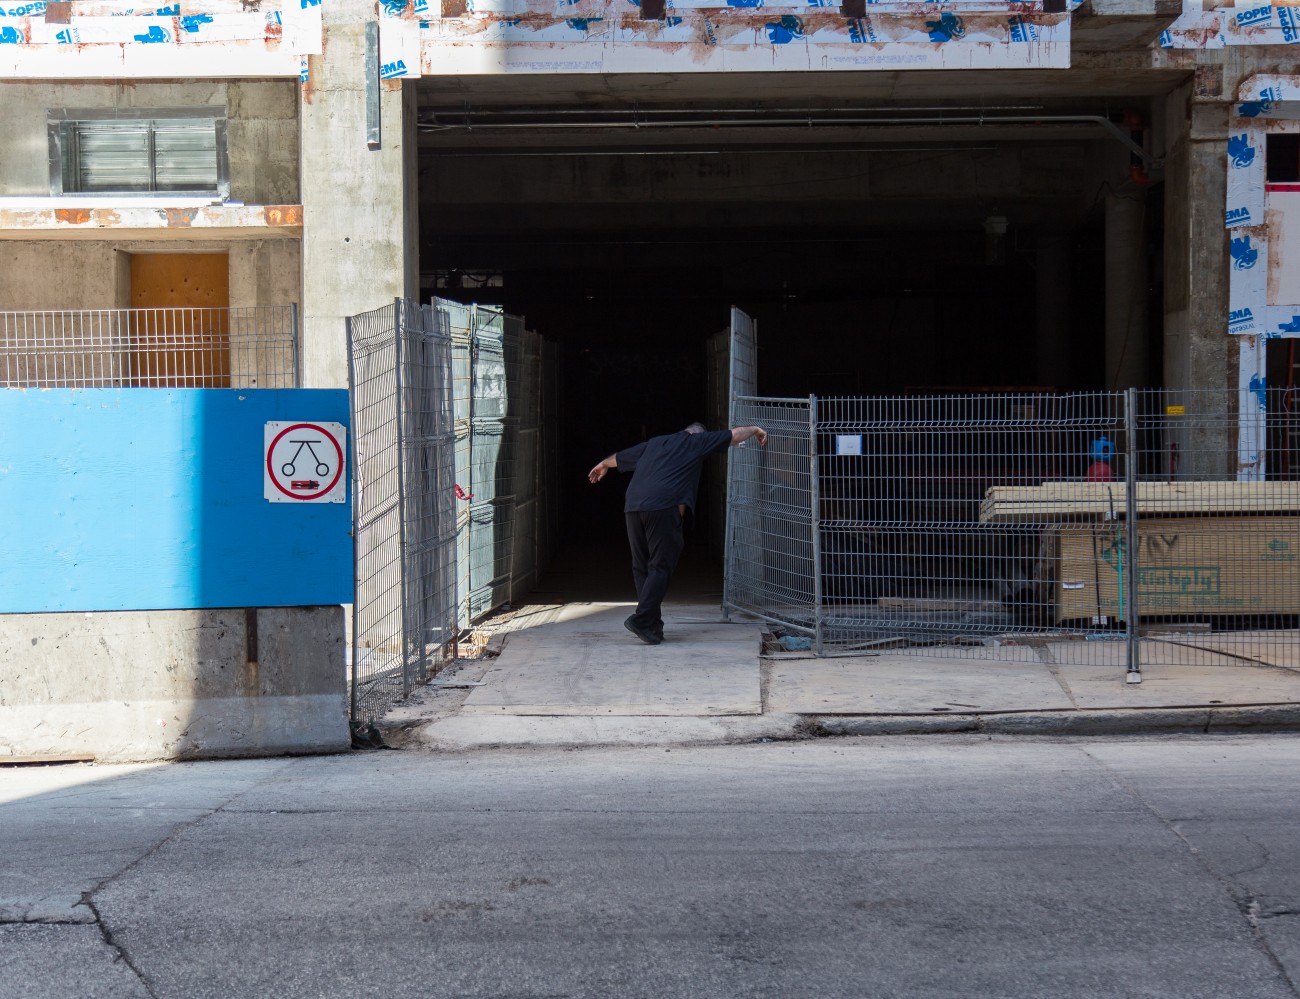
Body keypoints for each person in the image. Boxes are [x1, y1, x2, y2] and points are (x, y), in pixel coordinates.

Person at [588, 421, 768, 645]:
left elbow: (622, 457)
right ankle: (642, 619)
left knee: (641, 565)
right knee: (661, 565)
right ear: (698, 435)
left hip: (633, 506)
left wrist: (603, 464)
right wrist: (754, 430)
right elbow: (733, 435)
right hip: (663, 507)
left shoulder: (656, 443)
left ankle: (651, 624)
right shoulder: (696, 442)